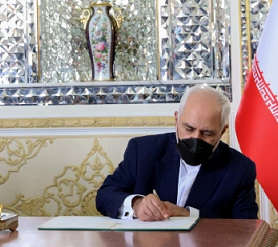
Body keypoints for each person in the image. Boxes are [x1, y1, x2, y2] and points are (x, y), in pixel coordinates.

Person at [96, 85, 258, 220]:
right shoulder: (143, 150)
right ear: (176, 120)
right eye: (189, 128)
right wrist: (136, 204)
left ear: (222, 131)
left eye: (207, 133)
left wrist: (189, 215)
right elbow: (105, 195)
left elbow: (245, 229)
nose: (195, 138)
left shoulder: (240, 169)